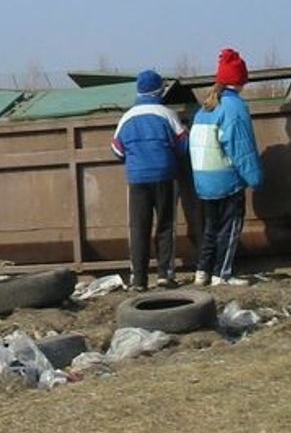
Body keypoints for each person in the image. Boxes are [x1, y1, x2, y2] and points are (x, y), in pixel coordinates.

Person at [189, 49, 263, 287]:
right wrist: (255, 178)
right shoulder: (235, 108)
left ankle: (202, 271)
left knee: (210, 228)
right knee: (230, 228)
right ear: (241, 80)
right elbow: (241, 148)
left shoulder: (205, 108)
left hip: (203, 179)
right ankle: (222, 274)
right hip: (226, 178)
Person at [111, 69, 189, 291]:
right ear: (159, 90)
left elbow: (116, 150)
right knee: (166, 225)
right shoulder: (167, 114)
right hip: (165, 176)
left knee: (138, 228)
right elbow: (183, 145)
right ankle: (165, 274)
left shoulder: (126, 117)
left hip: (137, 179)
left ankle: (139, 280)